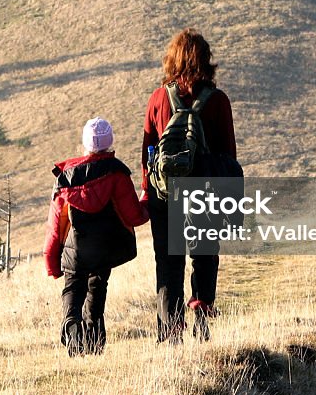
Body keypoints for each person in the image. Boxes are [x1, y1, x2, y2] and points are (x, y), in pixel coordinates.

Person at [141, 28, 237, 343]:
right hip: (205, 191)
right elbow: (228, 154)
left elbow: (148, 153)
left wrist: (147, 191)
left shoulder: (158, 98)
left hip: (165, 194)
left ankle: (170, 333)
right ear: (206, 61)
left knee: (168, 262)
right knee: (205, 254)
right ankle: (201, 316)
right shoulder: (218, 101)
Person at [44, 117, 149, 356]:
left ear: (85, 144)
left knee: (73, 289)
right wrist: (146, 201)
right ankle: (94, 340)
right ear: (110, 143)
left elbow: (54, 227)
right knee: (97, 288)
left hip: (75, 252)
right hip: (105, 250)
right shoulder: (118, 174)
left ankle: (72, 330)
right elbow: (135, 217)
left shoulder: (66, 178)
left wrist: (51, 262)